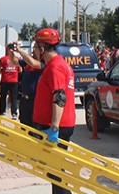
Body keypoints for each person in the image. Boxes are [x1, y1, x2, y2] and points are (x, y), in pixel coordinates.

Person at [31, 28, 76, 194]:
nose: (34, 51)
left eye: (35, 47)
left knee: (56, 173)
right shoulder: (60, 64)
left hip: (55, 126)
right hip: (58, 124)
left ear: (42, 48)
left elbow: (60, 96)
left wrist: (54, 128)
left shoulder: (55, 67)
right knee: (56, 171)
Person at [13, 41, 44, 127]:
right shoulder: (28, 61)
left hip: (35, 99)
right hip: (24, 100)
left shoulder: (43, 63)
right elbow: (14, 61)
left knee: (34, 127)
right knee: (24, 125)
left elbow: (34, 64)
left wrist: (20, 51)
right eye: (33, 48)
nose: (33, 50)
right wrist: (11, 52)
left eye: (35, 48)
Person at [0, 45, 22, 119]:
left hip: (5, 80)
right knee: (14, 98)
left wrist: (4, 71)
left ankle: (2, 112)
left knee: (3, 97)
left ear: (8, 49)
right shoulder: (17, 59)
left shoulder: (2, 59)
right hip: (14, 81)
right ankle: (14, 113)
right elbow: (20, 70)